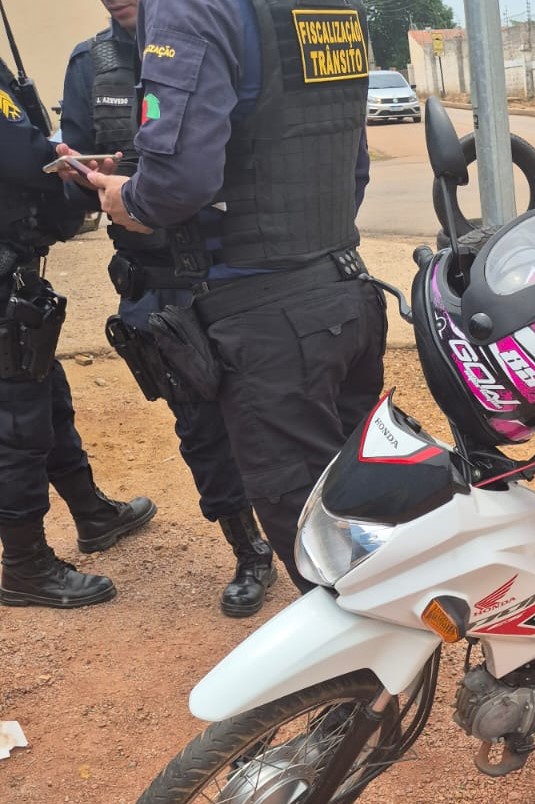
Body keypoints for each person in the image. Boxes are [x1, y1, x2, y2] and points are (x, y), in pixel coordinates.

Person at [62, 0, 386, 592]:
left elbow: (179, 182)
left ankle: (367, 669)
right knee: (363, 496)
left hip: (262, 311)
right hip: (341, 285)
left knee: (315, 539)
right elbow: (350, 161)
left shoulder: (189, 6)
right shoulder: (329, 5)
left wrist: (129, 200)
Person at [60, 0, 277, 618]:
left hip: (235, 268)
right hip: (154, 283)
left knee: (272, 412)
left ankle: (317, 543)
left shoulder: (222, 31)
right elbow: (74, 170)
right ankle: (248, 550)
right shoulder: (89, 64)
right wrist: (91, 176)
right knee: (199, 426)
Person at [1, 53, 155, 609]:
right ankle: (23, 564)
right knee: (16, 421)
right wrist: (64, 162)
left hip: (14, 273)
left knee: (41, 391)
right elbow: (19, 151)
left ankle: (91, 513)